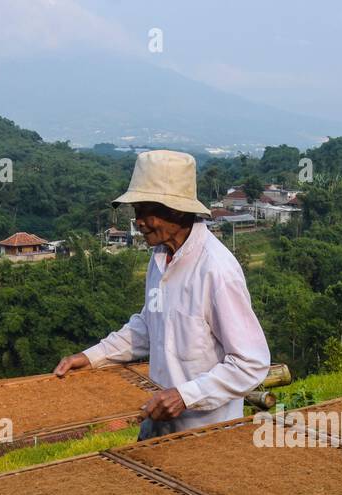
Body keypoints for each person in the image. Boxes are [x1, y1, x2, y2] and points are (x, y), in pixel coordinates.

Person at [54, 149, 270, 437]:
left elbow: (250, 362)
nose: (138, 221)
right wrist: (93, 356)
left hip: (206, 435)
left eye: (145, 210)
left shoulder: (216, 271)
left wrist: (186, 396)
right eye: (136, 211)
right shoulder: (160, 258)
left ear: (176, 210)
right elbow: (147, 326)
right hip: (157, 427)